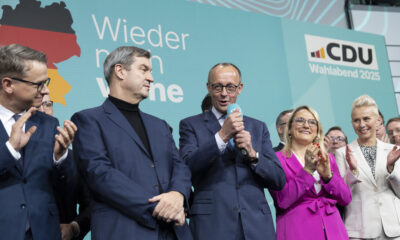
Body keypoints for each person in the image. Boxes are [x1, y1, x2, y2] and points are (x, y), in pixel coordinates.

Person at [72, 46, 192, 240]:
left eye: (151, 71)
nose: (151, 78)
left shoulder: (160, 125)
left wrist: (178, 196)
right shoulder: (88, 120)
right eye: (144, 69)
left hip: (175, 232)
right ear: (120, 71)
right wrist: (160, 208)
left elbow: (180, 166)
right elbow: (100, 174)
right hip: (125, 230)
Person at [179, 62, 286, 240]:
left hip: (256, 225)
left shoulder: (257, 127)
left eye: (230, 87)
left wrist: (253, 154)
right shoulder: (190, 125)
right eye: (217, 87)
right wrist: (221, 137)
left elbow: (278, 180)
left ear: (240, 88)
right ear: (208, 87)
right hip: (213, 224)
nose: (224, 93)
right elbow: (187, 167)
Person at [0, 44, 76, 240]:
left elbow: (67, 188)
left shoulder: (49, 124)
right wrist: (10, 150)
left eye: (46, 82)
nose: (45, 90)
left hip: (44, 231)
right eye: (38, 84)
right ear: (8, 84)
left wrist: (60, 157)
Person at [270, 105, 351, 240]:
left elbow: (345, 198)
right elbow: (282, 201)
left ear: (317, 131)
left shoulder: (328, 158)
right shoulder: (276, 159)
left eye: (312, 122)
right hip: (297, 231)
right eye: (300, 120)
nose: (306, 125)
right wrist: (307, 171)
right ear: (289, 129)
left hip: (334, 231)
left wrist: (328, 176)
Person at [336, 95, 400, 239]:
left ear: (377, 121)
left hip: (394, 229)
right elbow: (341, 196)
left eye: (366, 119)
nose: (361, 124)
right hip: (360, 230)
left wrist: (391, 169)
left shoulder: (393, 150)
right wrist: (352, 171)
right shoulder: (342, 153)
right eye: (356, 120)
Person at [38, 95, 91, 240]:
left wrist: (74, 227)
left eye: (48, 104)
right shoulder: (13, 154)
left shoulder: (73, 158)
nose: (43, 110)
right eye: (37, 106)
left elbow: (91, 205)